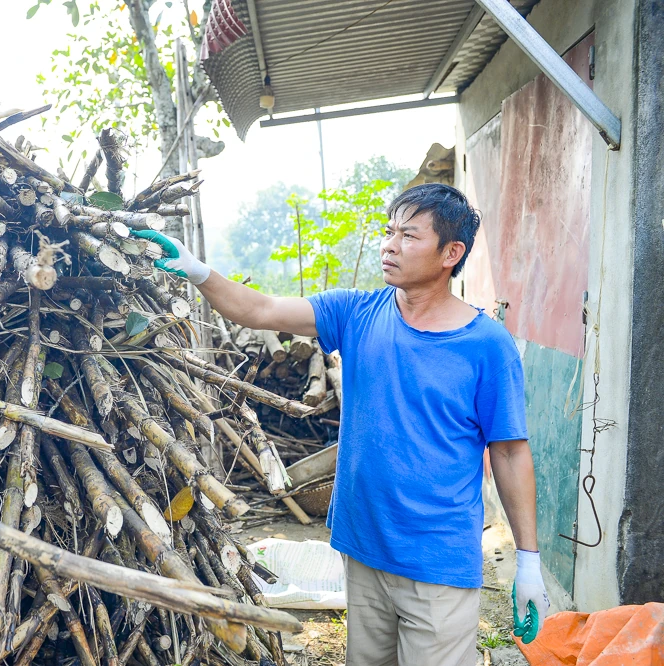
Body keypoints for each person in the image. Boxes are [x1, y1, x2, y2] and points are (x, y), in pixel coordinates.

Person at [133, 183, 549, 666]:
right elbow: (261, 309)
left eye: (409, 236)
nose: (390, 245)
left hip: (437, 562)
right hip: (363, 548)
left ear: (450, 254)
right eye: (389, 231)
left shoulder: (487, 345)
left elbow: (510, 452)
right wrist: (198, 270)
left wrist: (529, 561)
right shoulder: (357, 312)